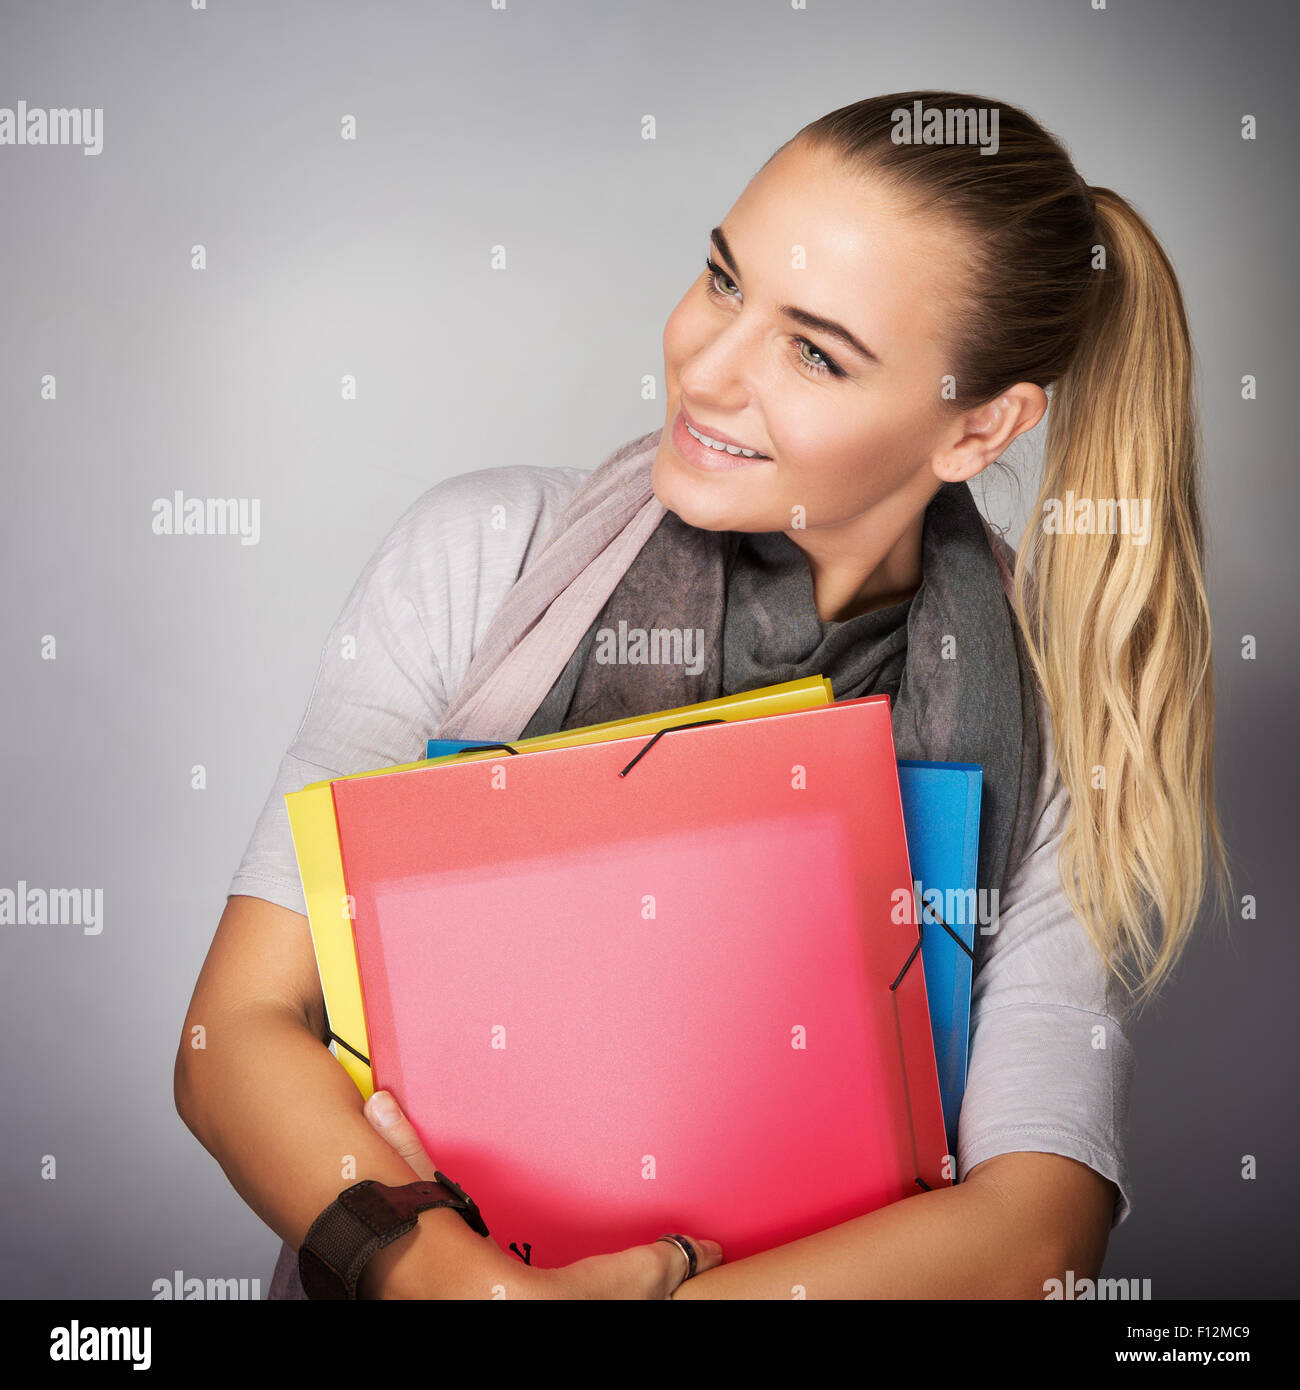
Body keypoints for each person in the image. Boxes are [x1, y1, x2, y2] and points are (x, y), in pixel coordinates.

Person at [175, 90, 1226, 1300]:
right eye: (724, 280)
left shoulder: (1056, 713)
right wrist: (456, 1284)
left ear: (978, 428)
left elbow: (1041, 1232)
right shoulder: (480, 557)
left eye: (815, 350)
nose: (706, 367)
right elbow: (231, 1040)